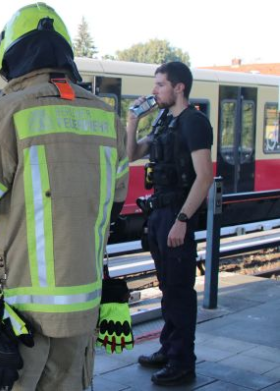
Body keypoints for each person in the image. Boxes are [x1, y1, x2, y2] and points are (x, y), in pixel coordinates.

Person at [0, 3, 129, 390]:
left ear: (10, 58)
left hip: (12, 320)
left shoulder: (9, 112)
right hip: (80, 313)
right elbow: (112, 208)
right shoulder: (107, 119)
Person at [127, 61, 214, 386]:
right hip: (160, 214)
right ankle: (168, 349)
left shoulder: (194, 123)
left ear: (179, 88)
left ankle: (182, 363)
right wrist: (132, 121)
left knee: (179, 292)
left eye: (160, 84)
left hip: (178, 214)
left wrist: (182, 220)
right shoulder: (164, 121)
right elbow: (131, 152)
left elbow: (203, 177)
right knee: (167, 289)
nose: (154, 90)